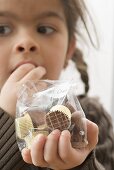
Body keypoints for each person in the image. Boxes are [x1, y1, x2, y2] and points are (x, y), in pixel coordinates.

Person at [0, 0, 114, 169]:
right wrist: (5, 121)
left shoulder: (90, 119)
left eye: (44, 29)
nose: (26, 42)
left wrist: (80, 164)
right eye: (2, 29)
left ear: (69, 49)